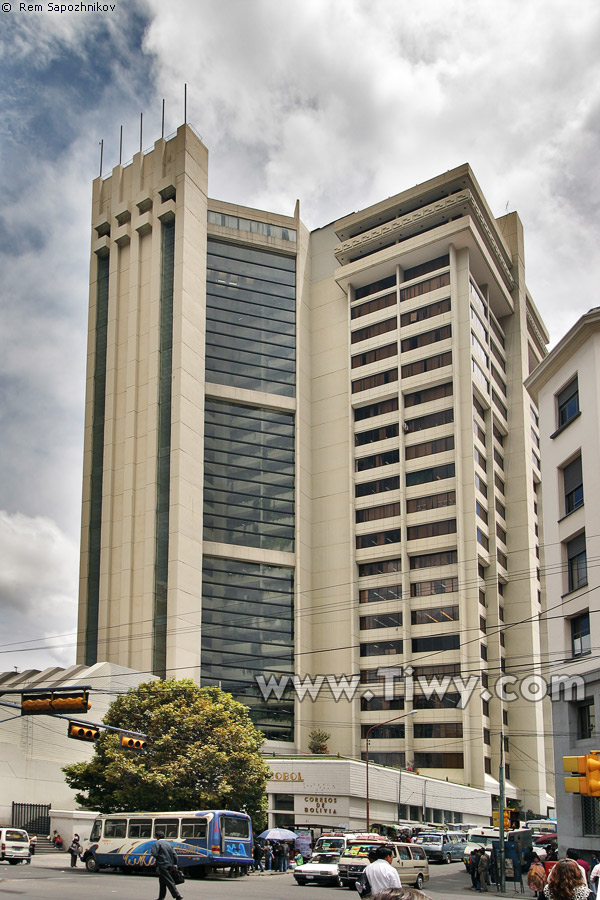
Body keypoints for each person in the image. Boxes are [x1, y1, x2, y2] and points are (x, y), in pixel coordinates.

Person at [150, 830, 183, 900]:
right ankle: (161, 897)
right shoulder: (169, 844)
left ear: (157, 837)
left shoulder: (157, 843)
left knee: (168, 880)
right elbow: (175, 855)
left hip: (163, 865)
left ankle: (177, 895)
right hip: (170, 865)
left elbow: (154, 853)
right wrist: (175, 864)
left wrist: (158, 858)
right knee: (162, 881)